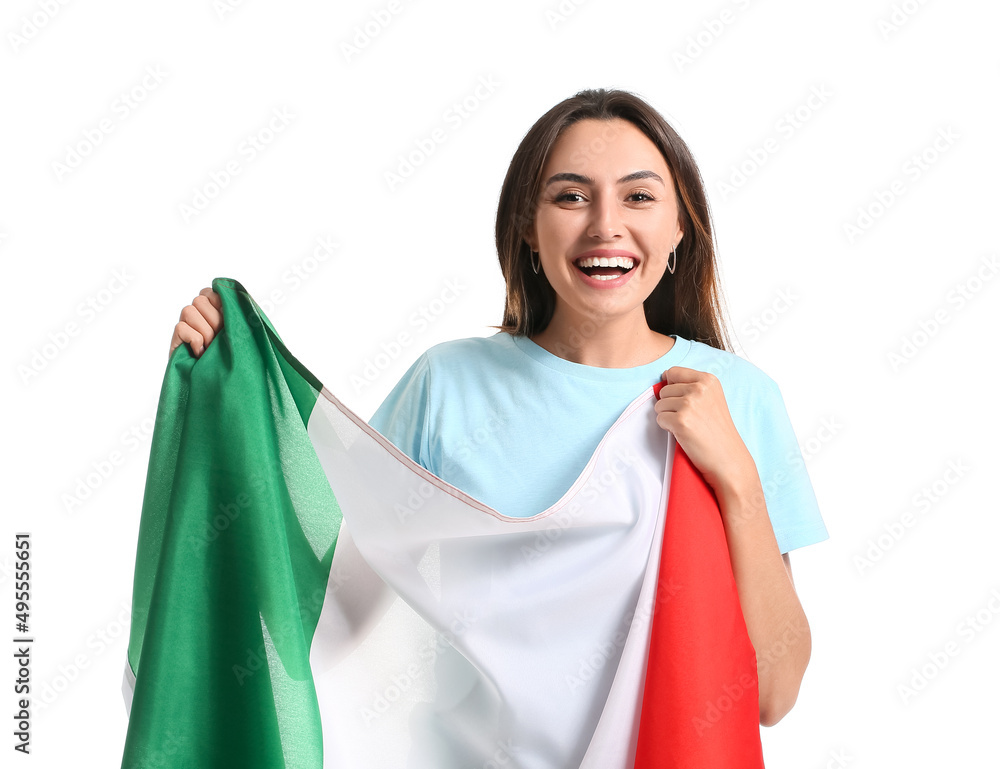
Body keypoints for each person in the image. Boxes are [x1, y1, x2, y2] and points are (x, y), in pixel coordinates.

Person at [169, 87, 829, 727]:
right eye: (570, 196)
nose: (606, 225)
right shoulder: (447, 385)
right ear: (528, 229)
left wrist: (737, 479)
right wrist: (223, 397)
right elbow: (323, 605)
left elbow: (772, 693)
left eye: (639, 196)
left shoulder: (736, 396)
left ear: (680, 225)